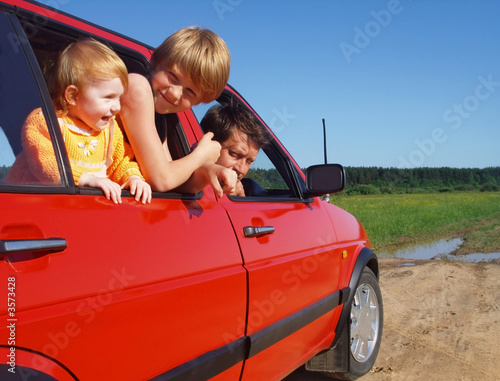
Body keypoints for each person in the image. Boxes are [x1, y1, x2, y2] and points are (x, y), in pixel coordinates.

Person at [8, 39, 151, 205]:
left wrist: (133, 177)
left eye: (119, 98)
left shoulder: (109, 130)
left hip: (76, 209)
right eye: (109, 97)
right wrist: (87, 179)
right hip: (30, 206)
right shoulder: (45, 122)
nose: (117, 107)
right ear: (73, 96)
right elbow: (45, 163)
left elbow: (121, 161)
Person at [118, 26, 236, 197]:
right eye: (172, 77)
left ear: (200, 101)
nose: (174, 93)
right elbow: (161, 179)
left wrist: (209, 172)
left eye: (190, 92)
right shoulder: (138, 88)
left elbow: (172, 180)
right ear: (156, 61)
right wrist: (201, 155)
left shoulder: (162, 118)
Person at [200, 102, 270, 196]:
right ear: (208, 144)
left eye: (249, 161)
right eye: (234, 154)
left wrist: (240, 197)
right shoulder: (182, 178)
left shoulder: (239, 189)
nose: (241, 169)